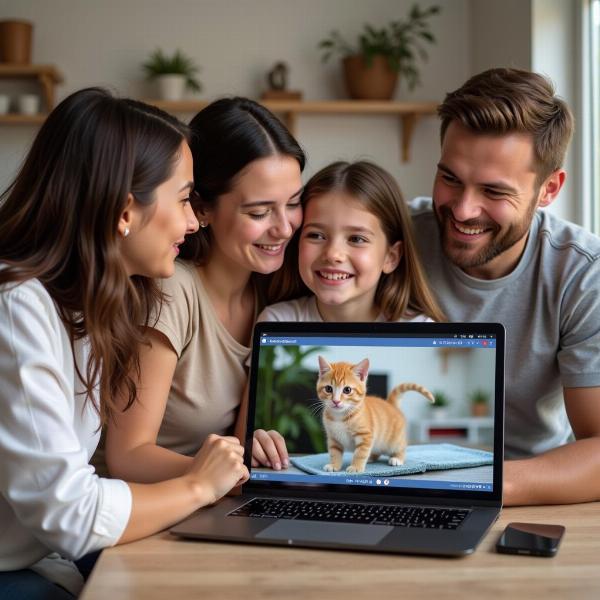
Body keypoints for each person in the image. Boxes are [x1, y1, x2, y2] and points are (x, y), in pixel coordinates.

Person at [0, 88, 248, 599]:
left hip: (37, 553)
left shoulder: (89, 303)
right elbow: (68, 513)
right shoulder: (16, 307)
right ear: (124, 211)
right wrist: (197, 485)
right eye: (183, 199)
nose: (193, 221)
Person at [409, 67, 600, 506]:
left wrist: (466, 484)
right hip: (388, 481)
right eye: (450, 179)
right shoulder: (387, 239)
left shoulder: (582, 274)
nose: (462, 210)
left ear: (549, 188)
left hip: (529, 495)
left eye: (494, 192)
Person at [102, 97, 306, 484]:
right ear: (202, 208)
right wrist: (238, 471)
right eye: (260, 212)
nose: (284, 228)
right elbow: (127, 456)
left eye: (293, 204)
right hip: (127, 509)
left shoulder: (275, 292)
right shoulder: (173, 291)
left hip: (205, 503)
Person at [252, 160, 446, 468]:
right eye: (316, 235)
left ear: (391, 257)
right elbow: (246, 439)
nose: (333, 254)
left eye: (356, 239)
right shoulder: (276, 322)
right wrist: (256, 443)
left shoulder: (422, 329)